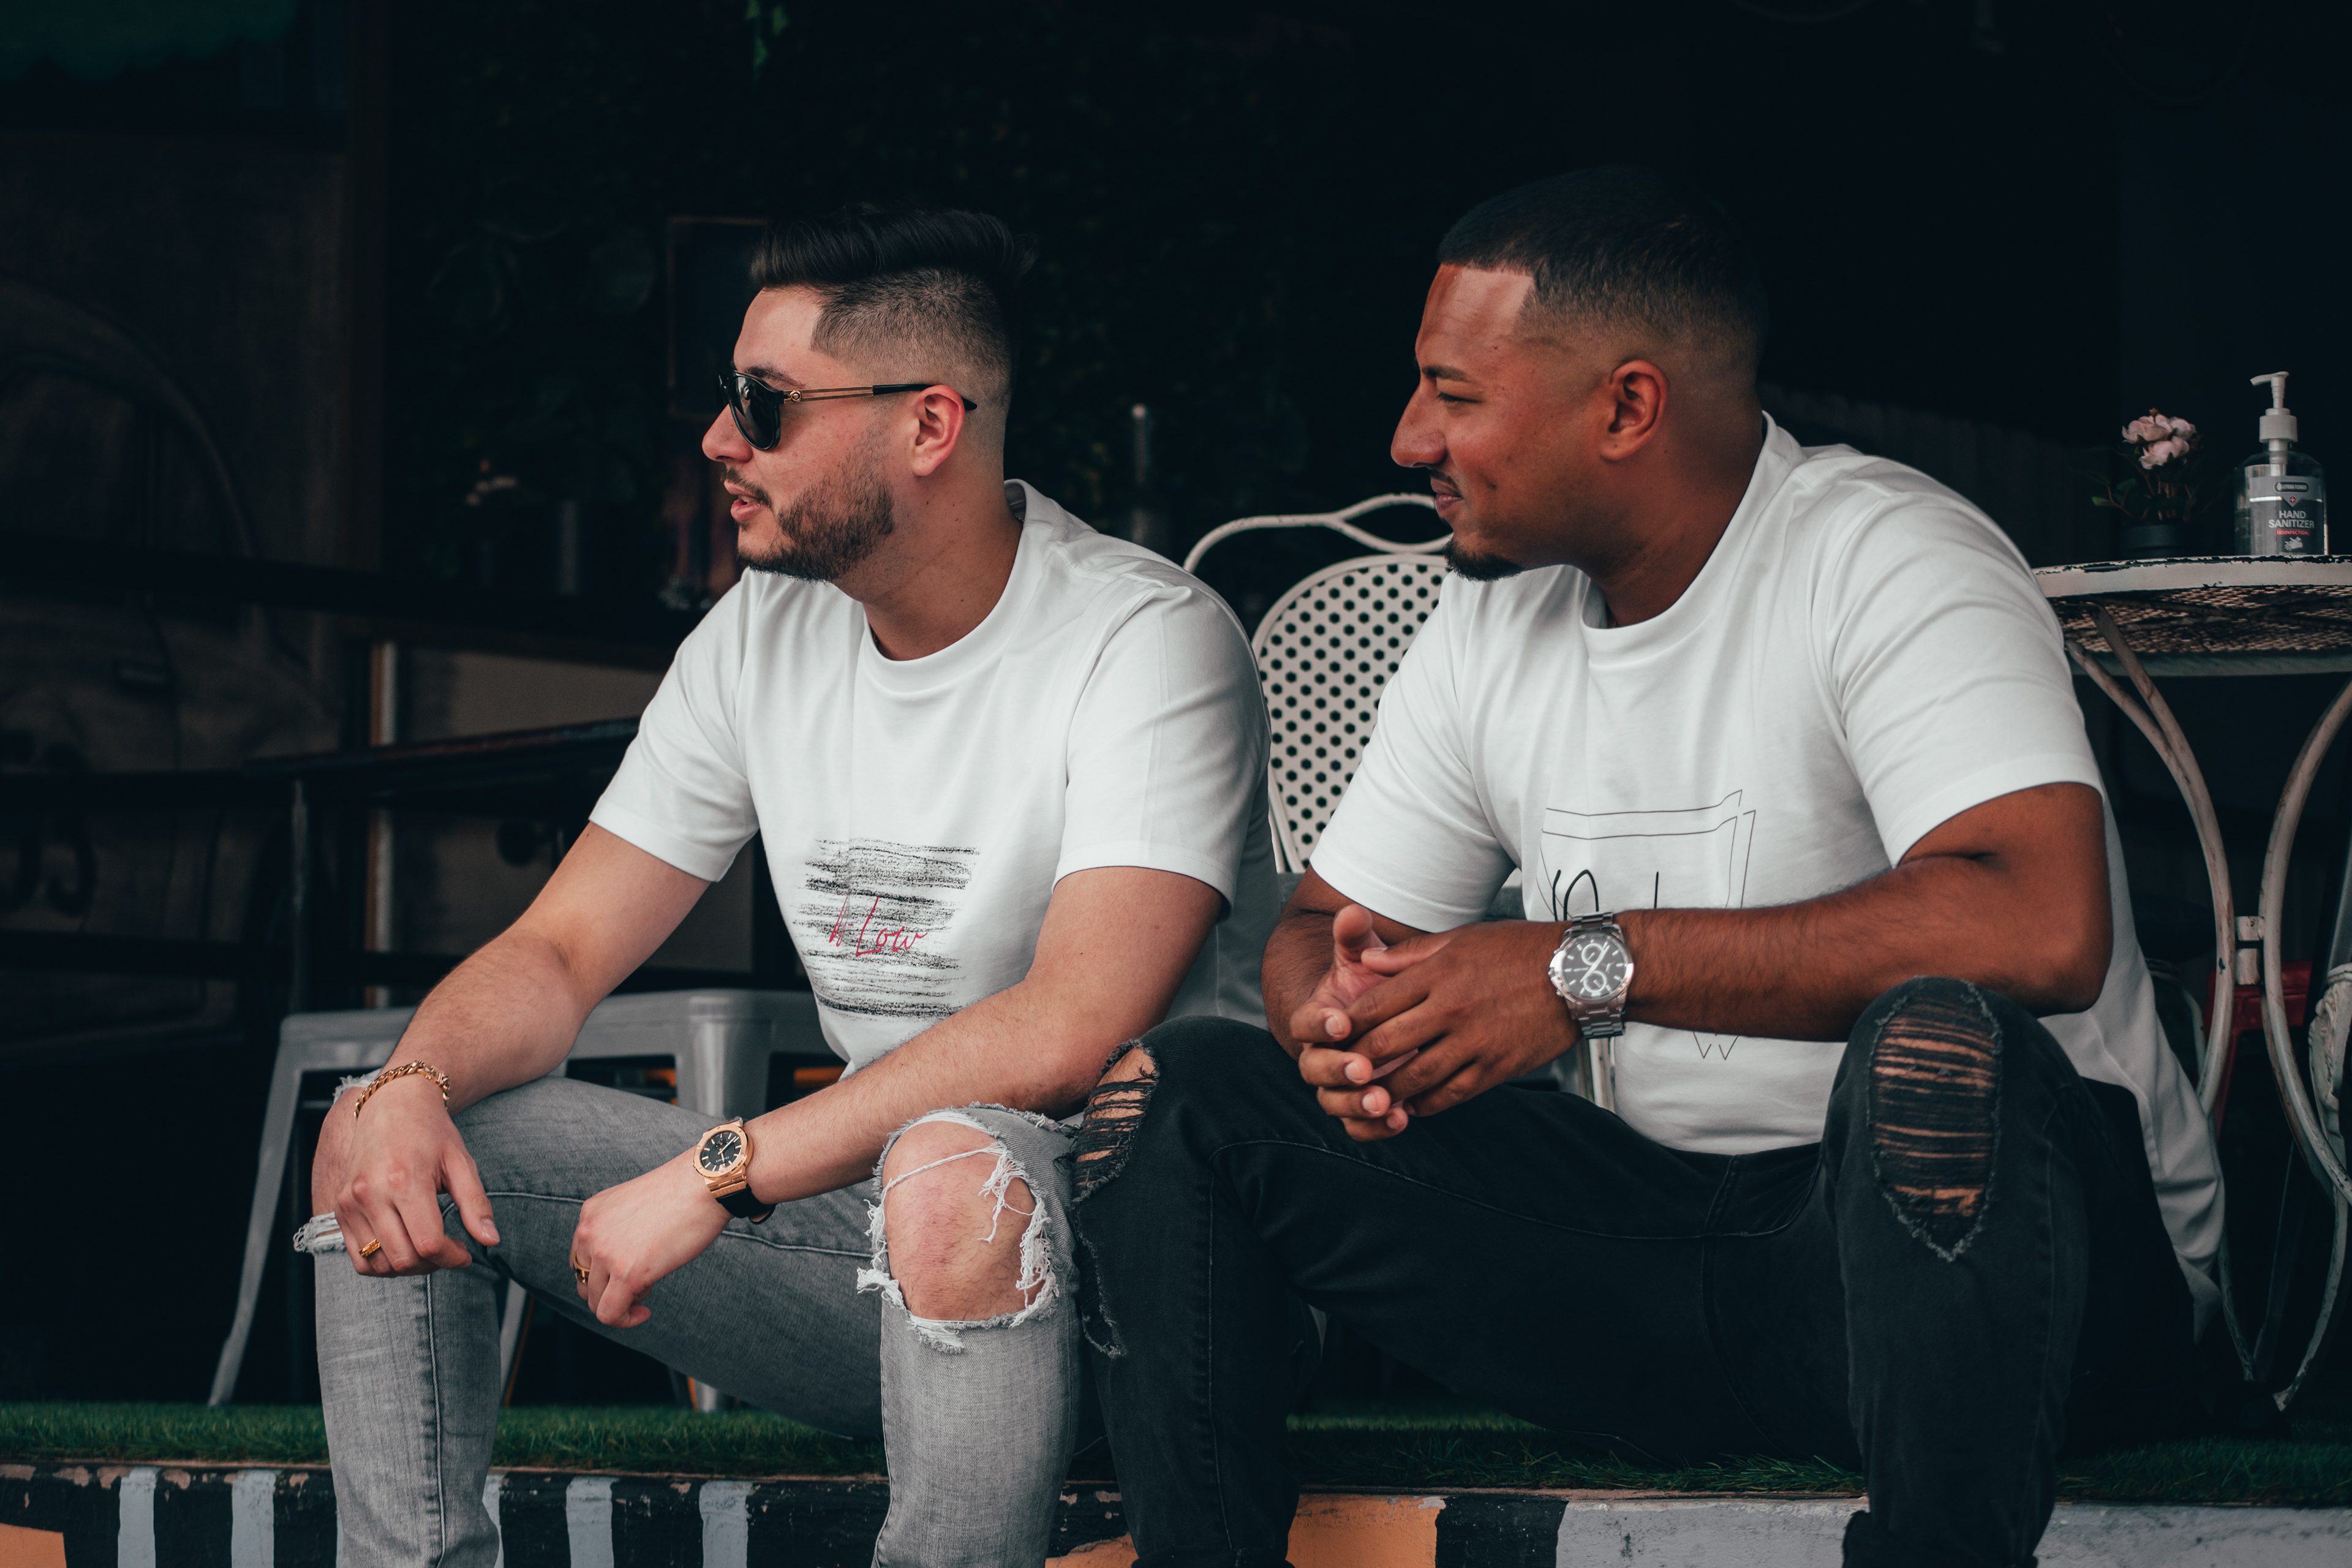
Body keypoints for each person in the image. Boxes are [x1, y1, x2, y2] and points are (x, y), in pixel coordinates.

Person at [1071, 167, 2222, 1568]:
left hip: (2009, 1288)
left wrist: (1578, 971)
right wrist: (1344, 1013)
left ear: (1626, 408)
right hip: (1673, 1262)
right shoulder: (1490, 620)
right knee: (1178, 1093)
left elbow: (2041, 922)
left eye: (1454, 393)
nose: (1409, 436)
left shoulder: (1886, 556)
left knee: (1933, 1050)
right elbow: (1327, 919)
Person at [305, 203, 1279, 1568]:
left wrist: (720, 1172)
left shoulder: (1146, 638)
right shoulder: (762, 630)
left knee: (953, 1169)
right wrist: (413, 1084)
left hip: (1156, 1298)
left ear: (929, 425)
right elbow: (561, 949)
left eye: (764, 405)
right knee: (378, 1132)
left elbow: (1071, 1026)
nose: (720, 439)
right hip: (879, 1257)